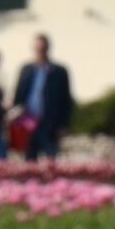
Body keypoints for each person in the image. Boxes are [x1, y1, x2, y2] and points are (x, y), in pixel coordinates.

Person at [11, 33, 74, 161]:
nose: (40, 51)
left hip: (50, 124)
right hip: (28, 123)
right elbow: (18, 96)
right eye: (37, 48)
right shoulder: (26, 69)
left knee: (50, 158)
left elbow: (66, 99)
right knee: (29, 160)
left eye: (42, 48)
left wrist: (63, 124)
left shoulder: (59, 71)